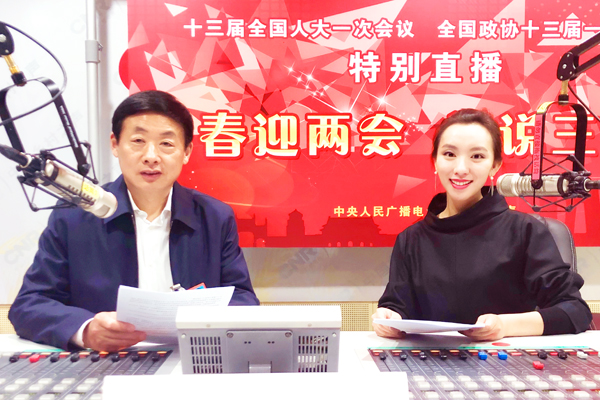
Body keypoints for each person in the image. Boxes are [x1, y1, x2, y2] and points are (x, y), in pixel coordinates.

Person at [9, 90, 259, 351]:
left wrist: (202, 321)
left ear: (186, 151)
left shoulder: (214, 217)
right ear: (115, 145)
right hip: (106, 360)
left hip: (192, 357)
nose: (151, 156)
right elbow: (30, 304)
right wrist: (86, 329)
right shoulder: (74, 216)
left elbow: (243, 300)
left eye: (166, 144)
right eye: (138, 140)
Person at [372, 108, 592, 341]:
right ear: (435, 160)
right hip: (428, 359)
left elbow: (575, 310)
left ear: (495, 165)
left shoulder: (525, 231)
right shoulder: (411, 239)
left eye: (477, 156)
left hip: (504, 359)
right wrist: (388, 318)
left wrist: (504, 326)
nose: (460, 169)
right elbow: (396, 306)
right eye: (449, 154)